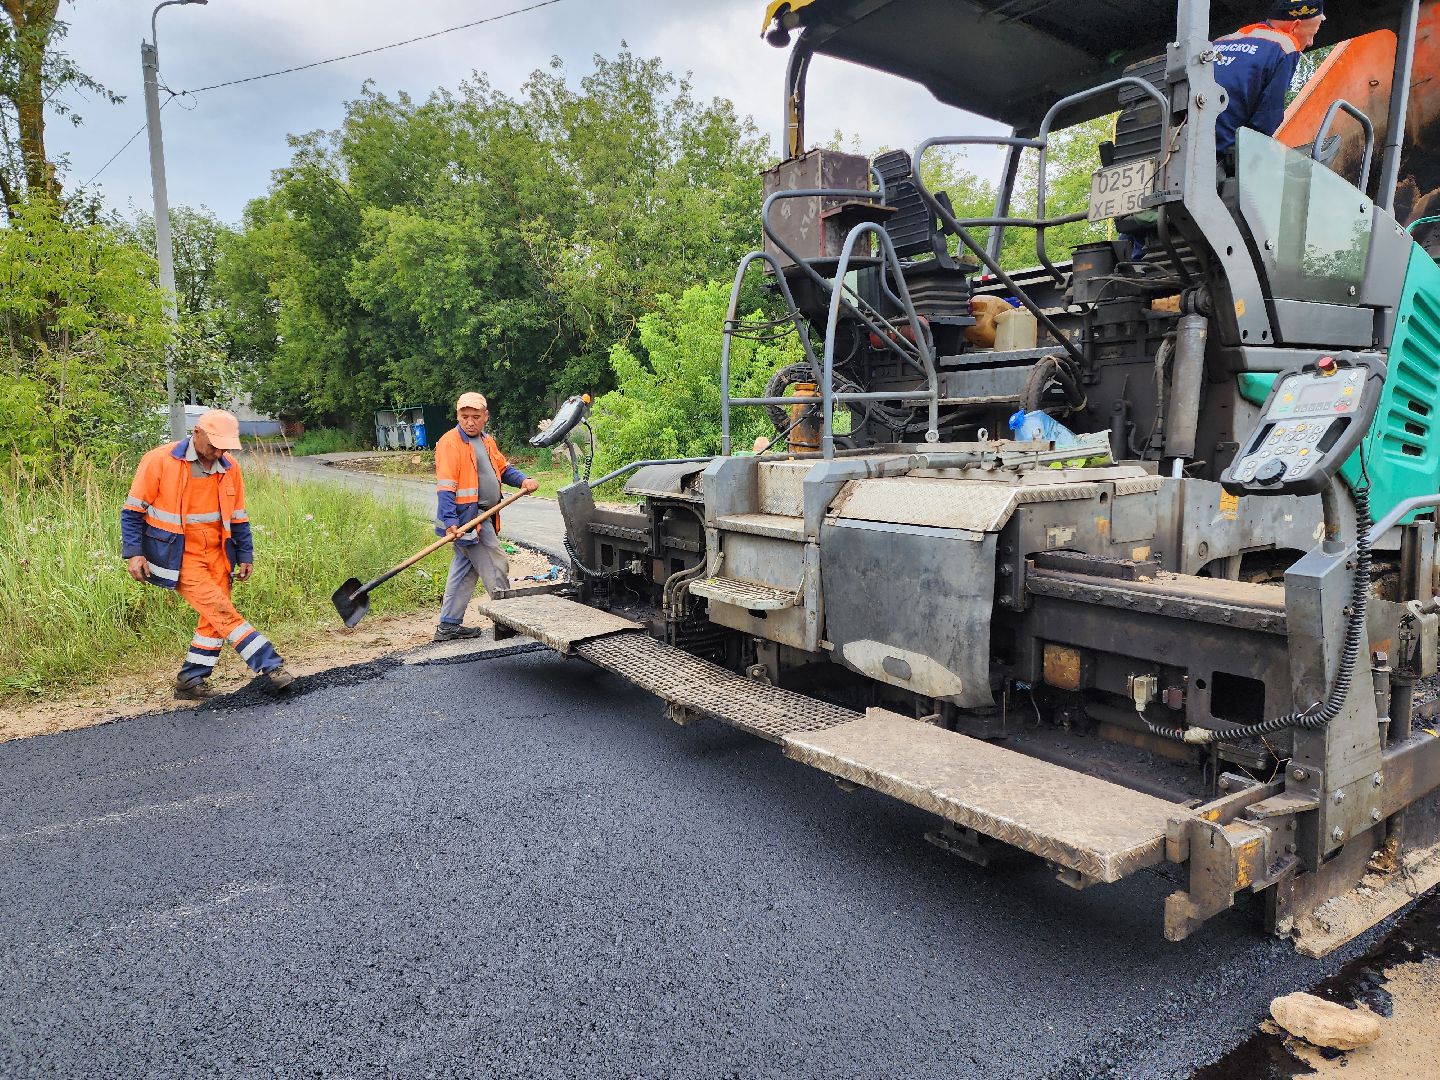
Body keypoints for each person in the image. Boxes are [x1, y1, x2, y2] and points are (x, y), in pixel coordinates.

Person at [121, 409, 293, 700]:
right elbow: (132, 512)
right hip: (178, 554)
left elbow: (238, 517)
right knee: (220, 610)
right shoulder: (159, 461)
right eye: (214, 445)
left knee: (212, 618)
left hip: (218, 553)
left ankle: (191, 680)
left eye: (224, 447)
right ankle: (270, 665)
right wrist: (134, 553)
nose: (218, 452)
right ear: (196, 433)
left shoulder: (230, 468)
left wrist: (245, 554)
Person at [433, 392, 539, 641]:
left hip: (482, 517)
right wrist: (451, 523)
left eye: (475, 417)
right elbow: (446, 488)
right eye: (464, 416)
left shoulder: (486, 441)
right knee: (495, 564)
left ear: (485, 417)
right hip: (469, 520)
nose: (469, 422)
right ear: (457, 416)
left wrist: (523, 479)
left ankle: (448, 625)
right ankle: (506, 621)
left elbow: (503, 470)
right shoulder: (450, 443)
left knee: (465, 571)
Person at [1212, 2, 1327, 157]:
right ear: (1295, 26)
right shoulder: (1285, 46)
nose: (1310, 42)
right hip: (1220, 157)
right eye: (1312, 34)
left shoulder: (1222, 41)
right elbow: (1266, 119)